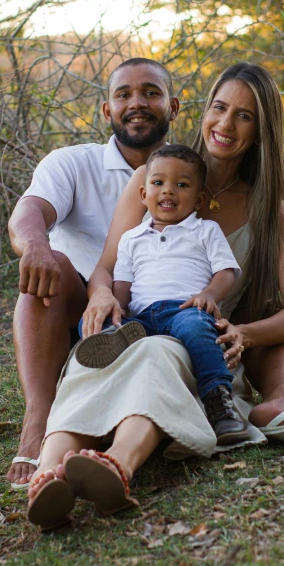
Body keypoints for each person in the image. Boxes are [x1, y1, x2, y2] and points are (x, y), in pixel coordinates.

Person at [26, 62, 284, 531]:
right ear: (203, 109)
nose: (225, 124)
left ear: (261, 132)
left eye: (244, 116)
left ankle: (118, 463)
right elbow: (108, 267)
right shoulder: (159, 176)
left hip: (201, 340)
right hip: (137, 320)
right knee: (93, 356)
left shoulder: (266, 207)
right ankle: (48, 473)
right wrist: (101, 297)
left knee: (160, 350)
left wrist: (243, 333)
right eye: (219, 107)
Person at [6, 57, 180, 489]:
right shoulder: (72, 163)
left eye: (151, 92)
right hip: (76, 315)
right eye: (123, 94)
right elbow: (29, 211)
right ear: (107, 111)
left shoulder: (191, 173)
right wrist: (35, 246)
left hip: (155, 318)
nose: (136, 103)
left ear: (173, 106)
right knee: (52, 268)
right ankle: (38, 419)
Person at [77, 143, 249, 444]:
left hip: (185, 309)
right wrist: (116, 307)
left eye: (181, 185)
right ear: (144, 195)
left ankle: (219, 403)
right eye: (158, 183)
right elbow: (123, 286)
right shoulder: (131, 239)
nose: (168, 191)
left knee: (198, 331)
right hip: (141, 317)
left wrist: (209, 294)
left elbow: (226, 271)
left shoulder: (206, 230)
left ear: (198, 200)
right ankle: (113, 345)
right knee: (100, 320)